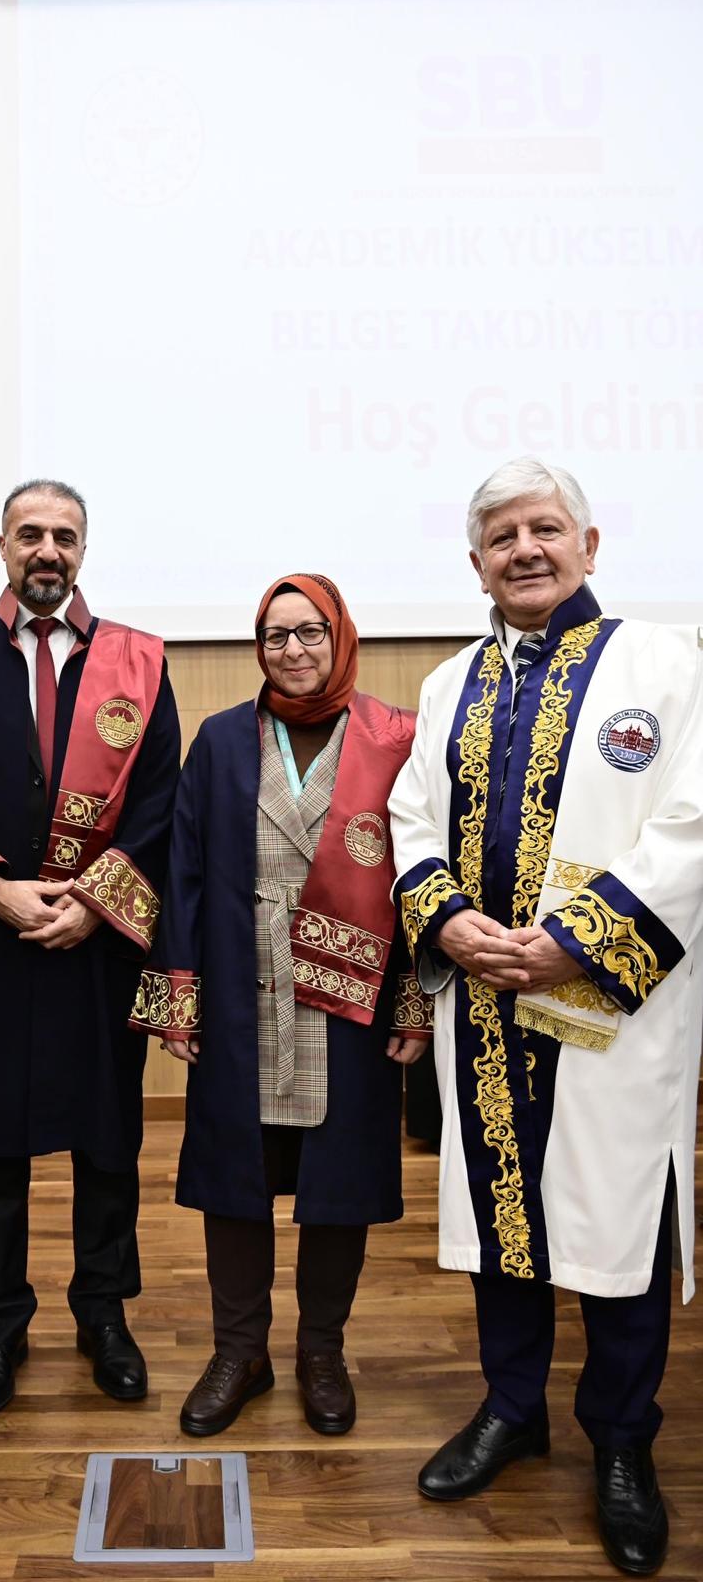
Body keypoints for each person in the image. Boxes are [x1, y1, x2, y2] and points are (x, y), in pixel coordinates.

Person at [389, 457, 703, 1576]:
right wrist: (446, 920)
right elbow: (410, 817)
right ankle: (511, 1409)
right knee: (500, 1215)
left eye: (544, 528)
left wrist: (577, 938)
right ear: (475, 563)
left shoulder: (664, 663)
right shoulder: (447, 685)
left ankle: (621, 1440)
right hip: (482, 1002)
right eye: (501, 536)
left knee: (619, 1220)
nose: (524, 549)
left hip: (612, 1005)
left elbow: (690, 823)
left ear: (588, 543)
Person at [0, 478, 180, 1417]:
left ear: (84, 549)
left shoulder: (138, 660)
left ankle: (105, 1316)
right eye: (30, 534)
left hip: (97, 951)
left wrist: (97, 904)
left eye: (64, 535)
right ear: (3, 546)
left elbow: (160, 802)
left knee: (107, 1146)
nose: (47, 550)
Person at [130, 573, 430, 1437]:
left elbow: (421, 874)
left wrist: (413, 1001)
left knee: (341, 1181)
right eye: (274, 635)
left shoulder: (392, 738)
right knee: (237, 1177)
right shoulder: (222, 739)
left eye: (309, 632)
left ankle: (322, 1352)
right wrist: (178, 996)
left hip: (353, 993)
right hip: (240, 982)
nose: (292, 650)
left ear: (340, 637)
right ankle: (240, 1352)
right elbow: (183, 871)